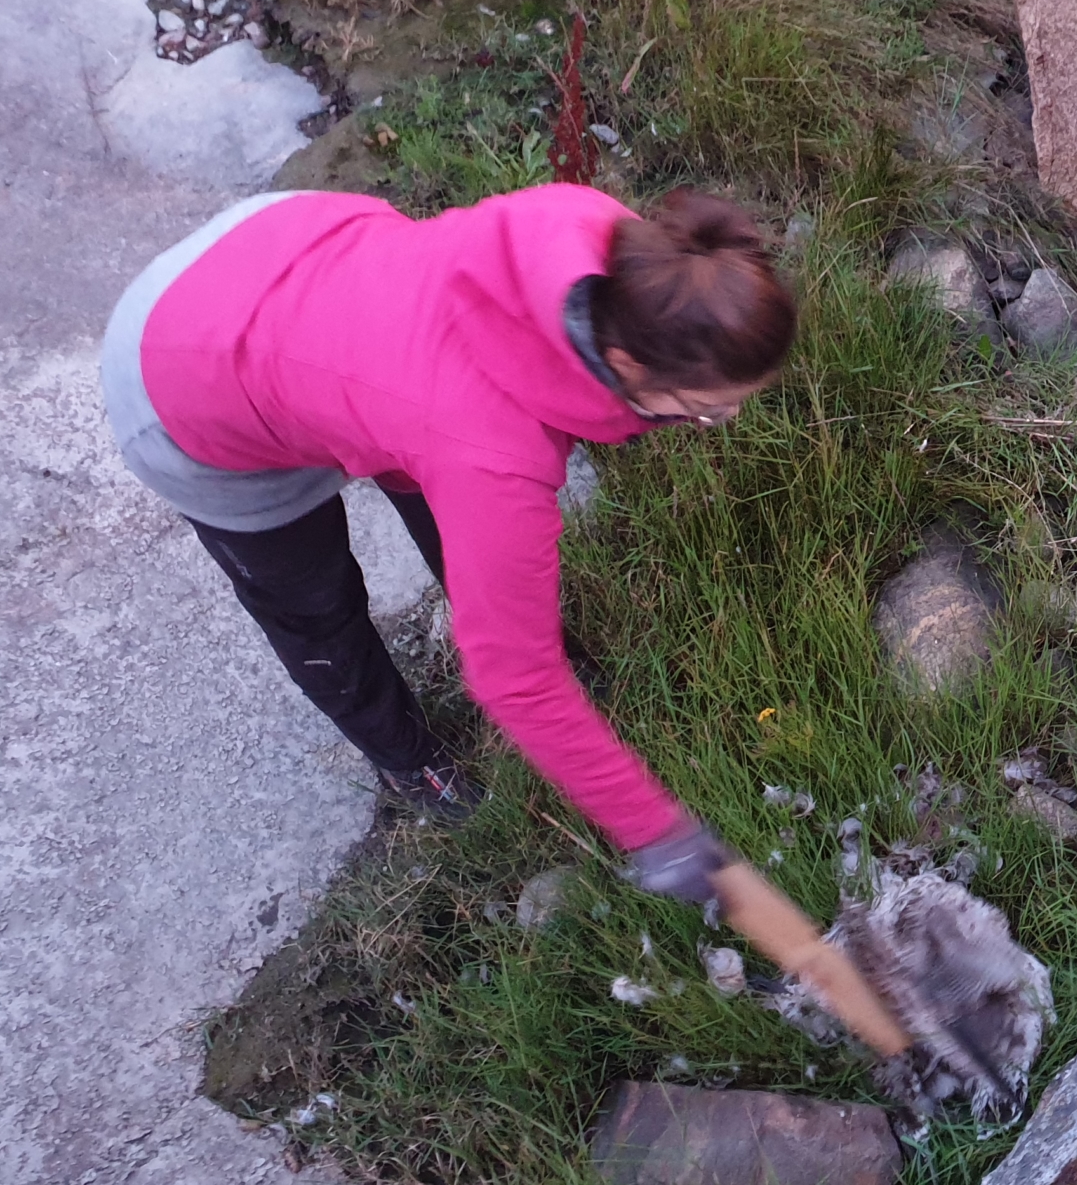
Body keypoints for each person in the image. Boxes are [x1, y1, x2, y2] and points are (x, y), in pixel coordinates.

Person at [99, 183, 773, 901]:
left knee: (423, 456)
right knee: (313, 599)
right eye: (707, 408)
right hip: (185, 375)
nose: (726, 418)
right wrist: (661, 834)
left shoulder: (611, 243)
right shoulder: (492, 459)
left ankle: (480, 582)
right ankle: (405, 757)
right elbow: (515, 679)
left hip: (295, 247)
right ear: (629, 365)